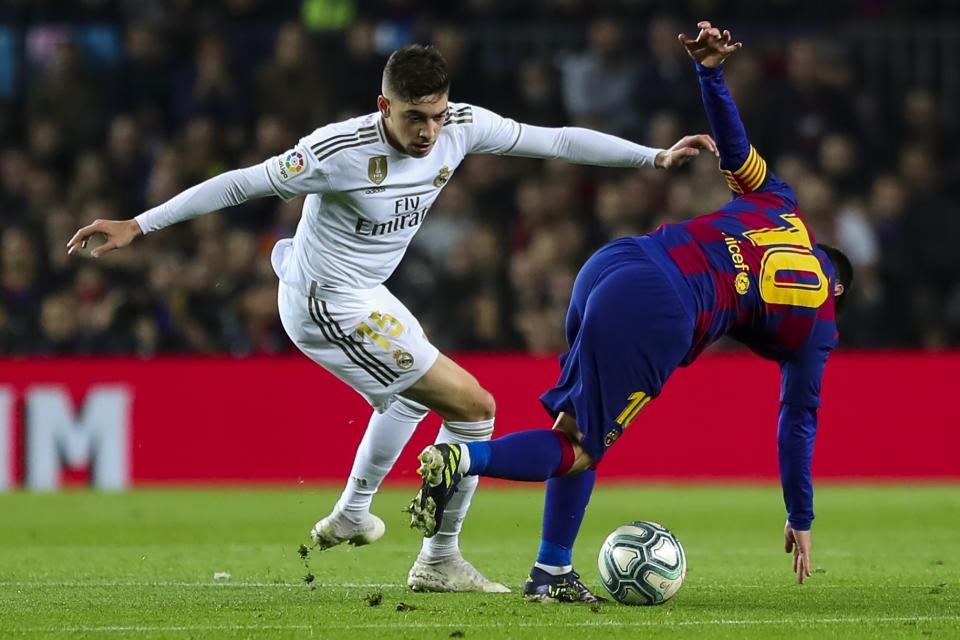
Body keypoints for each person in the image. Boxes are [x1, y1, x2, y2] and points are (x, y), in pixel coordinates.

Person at [66, 44, 714, 593]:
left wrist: (649, 156)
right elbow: (240, 184)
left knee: (413, 398)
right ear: (385, 107)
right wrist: (137, 224)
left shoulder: (460, 126)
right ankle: (437, 559)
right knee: (473, 406)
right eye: (414, 117)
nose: (428, 131)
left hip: (367, 292)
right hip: (323, 299)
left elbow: (554, 141)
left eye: (435, 115)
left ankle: (354, 514)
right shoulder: (337, 151)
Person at [407, 23, 854, 602]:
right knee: (582, 448)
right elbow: (797, 422)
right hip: (661, 308)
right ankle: (463, 456)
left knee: (575, 428)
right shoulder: (819, 322)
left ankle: (552, 572)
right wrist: (801, 514)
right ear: (837, 288)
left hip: (618, 259)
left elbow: (733, 148)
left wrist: (709, 72)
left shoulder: (781, 204)